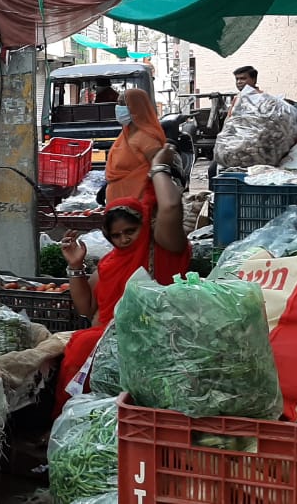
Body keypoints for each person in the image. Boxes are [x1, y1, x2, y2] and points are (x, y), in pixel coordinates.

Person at [53, 145, 190, 415]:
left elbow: (171, 205)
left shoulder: (163, 250)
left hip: (156, 338)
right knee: (82, 343)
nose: (124, 239)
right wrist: (76, 265)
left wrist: (159, 168)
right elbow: (86, 308)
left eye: (131, 231)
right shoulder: (110, 263)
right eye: (116, 235)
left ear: (145, 224)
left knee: (84, 345)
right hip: (111, 341)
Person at [104, 89, 166, 204]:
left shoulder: (147, 138)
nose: (118, 108)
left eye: (123, 104)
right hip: (118, 207)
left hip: (137, 207)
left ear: (137, 106)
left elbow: (158, 172)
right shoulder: (125, 134)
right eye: (118, 103)